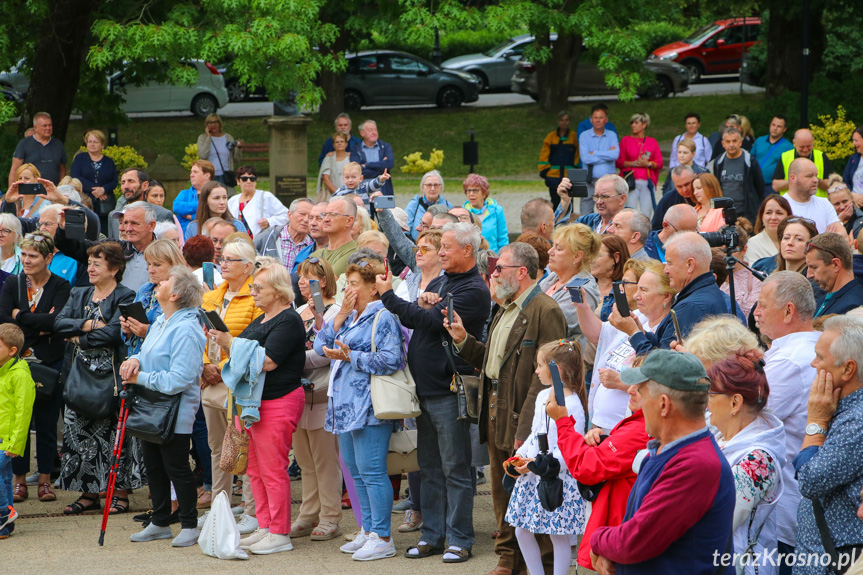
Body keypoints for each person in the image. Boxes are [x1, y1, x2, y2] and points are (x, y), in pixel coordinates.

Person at [446, 242, 567, 575]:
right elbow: (493, 364)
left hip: (524, 418)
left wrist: (525, 429)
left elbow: (546, 378)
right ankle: (509, 557)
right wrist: (463, 341)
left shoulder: (546, 310)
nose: (493, 274)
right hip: (496, 411)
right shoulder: (505, 307)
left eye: (499, 269)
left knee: (530, 491)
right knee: (503, 488)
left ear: (522, 272)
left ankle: (539, 564)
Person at [589, 350, 735, 575]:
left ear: (664, 405)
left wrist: (598, 541)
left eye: (642, 392)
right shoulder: (669, 450)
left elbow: (635, 540)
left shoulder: (695, 465)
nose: (633, 394)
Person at [205, 259, 306, 555]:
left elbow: (268, 361)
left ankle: (280, 532)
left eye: (258, 287)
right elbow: (243, 352)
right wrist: (226, 342)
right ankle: (265, 525)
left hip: (280, 399)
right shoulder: (262, 318)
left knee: (273, 468)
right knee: (254, 468)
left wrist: (229, 342)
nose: (253, 292)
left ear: (277, 291)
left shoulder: (288, 319)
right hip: (254, 403)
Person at [314, 256, 404, 562]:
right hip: (344, 407)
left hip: (369, 407)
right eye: (347, 283)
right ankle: (368, 530)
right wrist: (338, 316)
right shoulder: (351, 316)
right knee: (354, 471)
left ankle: (382, 536)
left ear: (373, 288)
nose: (348, 289)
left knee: (372, 471)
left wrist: (352, 357)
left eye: (354, 284)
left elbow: (392, 360)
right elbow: (317, 347)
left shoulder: (384, 317)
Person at [121, 265, 206, 547]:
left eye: (167, 280)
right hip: (149, 405)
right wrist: (135, 360)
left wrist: (139, 376)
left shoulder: (187, 329)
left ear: (177, 293)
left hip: (174, 410)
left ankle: (190, 525)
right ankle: (159, 521)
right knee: (154, 467)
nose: (158, 282)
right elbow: (147, 355)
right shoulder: (160, 321)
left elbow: (180, 379)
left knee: (177, 468)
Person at [53, 242, 140, 515]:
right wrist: (88, 325)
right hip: (79, 375)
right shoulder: (79, 293)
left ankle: (120, 494)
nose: (90, 268)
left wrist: (77, 336)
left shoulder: (126, 295)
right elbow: (58, 324)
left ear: (114, 269)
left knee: (115, 435)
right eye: (90, 262)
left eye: (97, 263)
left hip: (112, 377)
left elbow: (115, 333)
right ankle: (88, 494)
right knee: (81, 435)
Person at [548, 354, 651, 572]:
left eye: (639, 386)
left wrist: (563, 422)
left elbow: (585, 468)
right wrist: (603, 440)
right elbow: (613, 456)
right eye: (631, 382)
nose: (630, 390)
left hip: (622, 533)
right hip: (622, 530)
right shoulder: (641, 423)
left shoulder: (640, 429)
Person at [504, 340, 588, 575]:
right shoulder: (542, 396)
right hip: (533, 476)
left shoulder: (573, 405)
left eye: (540, 366)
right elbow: (536, 432)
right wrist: (521, 455)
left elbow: (571, 448)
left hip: (556, 480)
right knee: (522, 530)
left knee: (558, 534)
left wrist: (537, 465)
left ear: (556, 370)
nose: (536, 370)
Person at [752, 271, 819, 564]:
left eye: (763, 304)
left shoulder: (791, 360)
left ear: (789, 310)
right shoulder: (807, 348)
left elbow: (745, 420)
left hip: (784, 507)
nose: (756, 312)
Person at [0, 232, 70, 504]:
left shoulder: (61, 285)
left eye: (33, 255)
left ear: (48, 257)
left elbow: (58, 322)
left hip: (49, 360)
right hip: (17, 363)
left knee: (47, 421)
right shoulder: (14, 283)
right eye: (24, 255)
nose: (26, 260)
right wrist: (40, 324)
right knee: (19, 420)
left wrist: (23, 317)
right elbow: (5, 319)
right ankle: (19, 480)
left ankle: (44, 480)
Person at [200, 239, 262, 534]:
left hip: (237, 381)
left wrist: (224, 368)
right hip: (210, 381)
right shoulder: (211, 296)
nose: (222, 264)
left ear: (248, 267)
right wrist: (204, 364)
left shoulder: (256, 297)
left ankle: (252, 511)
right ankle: (219, 507)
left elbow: (255, 342)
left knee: (243, 447)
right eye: (221, 258)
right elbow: (201, 334)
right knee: (216, 448)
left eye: (230, 260)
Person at [793, 316, 863, 575]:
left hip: (837, 562)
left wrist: (816, 423)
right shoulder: (841, 408)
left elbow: (810, 481)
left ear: (847, 370)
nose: (813, 363)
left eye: (820, 358)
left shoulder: (858, 420)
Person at [706, 353, 785, 575]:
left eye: (711, 394)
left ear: (735, 402)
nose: (705, 400)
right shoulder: (722, 433)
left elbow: (721, 520)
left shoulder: (758, 460)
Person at [575, 260, 672, 432]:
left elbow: (662, 381)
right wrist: (582, 307)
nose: (635, 296)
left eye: (643, 290)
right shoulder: (637, 318)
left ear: (666, 296)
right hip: (601, 424)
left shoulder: (669, 333)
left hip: (627, 428)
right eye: (638, 288)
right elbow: (598, 334)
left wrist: (620, 382)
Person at [291, 257, 343, 541]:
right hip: (299, 395)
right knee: (305, 461)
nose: (301, 281)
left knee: (325, 461)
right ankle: (308, 513)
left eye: (308, 276)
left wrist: (295, 361)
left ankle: (330, 516)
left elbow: (326, 352)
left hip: (323, 394)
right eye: (299, 276)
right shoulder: (299, 311)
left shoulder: (336, 310)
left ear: (322, 281)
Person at [623, 231, 731, 354]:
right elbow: (664, 344)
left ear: (690, 265)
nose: (665, 270)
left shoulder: (691, 307)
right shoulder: (706, 293)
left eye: (669, 263)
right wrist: (641, 332)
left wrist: (634, 333)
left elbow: (662, 364)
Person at [57, 200, 158, 291]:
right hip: (116, 310)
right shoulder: (114, 248)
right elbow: (73, 247)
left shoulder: (165, 252)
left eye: (134, 223)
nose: (127, 229)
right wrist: (63, 229)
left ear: (151, 225)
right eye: (126, 223)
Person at [120, 239, 186, 356]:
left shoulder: (182, 293)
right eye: (149, 264)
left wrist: (148, 332)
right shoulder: (145, 289)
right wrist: (127, 329)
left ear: (173, 265)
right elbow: (127, 337)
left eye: (157, 265)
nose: (151, 270)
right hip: (135, 360)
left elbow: (182, 335)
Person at [0, 323, 35, 539]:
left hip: (9, 439)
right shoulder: (2, 370)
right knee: (4, 478)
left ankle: (4, 512)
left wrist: (16, 443)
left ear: (12, 351)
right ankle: (6, 526)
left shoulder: (20, 374)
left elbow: (23, 412)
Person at [540, 223, 601, 343]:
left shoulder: (583, 289)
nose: (550, 251)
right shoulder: (553, 277)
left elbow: (552, 324)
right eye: (553, 246)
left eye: (558, 249)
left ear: (577, 257)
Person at [708, 126, 766, 222]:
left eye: (734, 141)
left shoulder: (750, 161)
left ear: (740, 142)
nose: (731, 144)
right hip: (724, 212)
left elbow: (760, 187)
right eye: (728, 141)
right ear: (723, 144)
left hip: (746, 212)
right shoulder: (718, 162)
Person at [109, 168, 182, 241]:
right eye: (123, 182)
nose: (126, 186)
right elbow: (112, 248)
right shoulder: (113, 216)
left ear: (145, 185)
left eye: (131, 181)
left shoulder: (162, 214)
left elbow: (171, 247)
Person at [805, 232, 863, 317]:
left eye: (814, 267)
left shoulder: (852, 306)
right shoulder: (825, 298)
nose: (808, 275)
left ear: (836, 264)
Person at [578, 103, 621, 217]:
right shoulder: (584, 136)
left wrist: (595, 153)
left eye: (601, 117)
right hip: (590, 180)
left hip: (608, 182)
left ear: (606, 120)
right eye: (595, 117)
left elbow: (615, 155)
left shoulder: (611, 135)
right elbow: (585, 158)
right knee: (585, 213)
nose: (598, 120)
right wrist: (607, 154)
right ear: (591, 120)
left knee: (609, 211)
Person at [617, 113, 662, 218]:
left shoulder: (652, 142)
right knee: (630, 211)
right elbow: (619, 162)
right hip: (631, 181)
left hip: (647, 181)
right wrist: (634, 163)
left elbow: (659, 163)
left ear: (644, 125)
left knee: (646, 212)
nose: (633, 125)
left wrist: (648, 164)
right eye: (632, 123)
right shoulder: (625, 140)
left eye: (636, 123)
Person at [70, 129, 118, 227]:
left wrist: (103, 189)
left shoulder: (109, 162)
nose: (92, 144)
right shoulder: (80, 158)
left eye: (95, 142)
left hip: (104, 204)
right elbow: (76, 177)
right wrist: (97, 190)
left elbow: (114, 181)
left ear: (102, 145)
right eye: (89, 142)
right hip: (85, 200)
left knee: (104, 228)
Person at [227, 165, 288, 239]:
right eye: (244, 179)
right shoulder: (232, 201)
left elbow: (286, 215)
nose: (248, 181)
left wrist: (269, 222)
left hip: (260, 242)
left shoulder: (266, 197)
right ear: (238, 181)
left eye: (252, 179)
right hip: (238, 243)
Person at [254, 198, 314, 273]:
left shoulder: (314, 246)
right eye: (302, 214)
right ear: (289, 215)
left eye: (310, 217)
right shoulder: (268, 237)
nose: (306, 219)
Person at [556, 174, 628, 236]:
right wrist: (565, 201)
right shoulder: (587, 221)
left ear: (622, 199)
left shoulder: (630, 225)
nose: (599, 202)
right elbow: (559, 236)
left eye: (605, 197)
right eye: (596, 196)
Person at [8, 112, 66, 187]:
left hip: (53, 191)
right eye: (44, 126)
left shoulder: (58, 145)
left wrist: (61, 188)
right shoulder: (24, 144)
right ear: (35, 127)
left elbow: (62, 170)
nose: (48, 128)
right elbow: (14, 170)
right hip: (29, 191)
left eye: (50, 125)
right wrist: (11, 194)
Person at [772, 129, 835, 195]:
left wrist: (815, 180)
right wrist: (796, 181)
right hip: (790, 204)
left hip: (817, 203)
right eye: (801, 147)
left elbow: (832, 184)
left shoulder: (821, 156)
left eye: (808, 146)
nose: (805, 150)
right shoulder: (785, 157)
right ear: (794, 143)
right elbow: (775, 186)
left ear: (813, 141)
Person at [719, 221, 761, 317]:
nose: (725, 254)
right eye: (721, 250)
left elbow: (751, 314)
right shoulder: (714, 276)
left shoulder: (757, 278)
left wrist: (731, 281)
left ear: (744, 250)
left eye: (731, 250)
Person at [538, 110, 579, 210]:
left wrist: (576, 169)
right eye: (562, 120)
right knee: (555, 202)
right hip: (553, 176)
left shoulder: (574, 137)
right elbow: (544, 154)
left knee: (569, 203)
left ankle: (569, 225)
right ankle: (555, 224)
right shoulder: (551, 137)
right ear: (558, 121)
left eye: (566, 120)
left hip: (569, 176)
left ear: (569, 121)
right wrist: (545, 170)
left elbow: (578, 155)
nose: (564, 122)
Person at [310, 197, 358, 277]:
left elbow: (329, 282)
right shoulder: (315, 254)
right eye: (324, 214)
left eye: (332, 215)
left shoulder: (355, 254)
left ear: (349, 221)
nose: (325, 219)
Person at [462, 174, 508, 252]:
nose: (471, 194)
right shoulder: (462, 212)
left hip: (493, 256)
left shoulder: (497, 210)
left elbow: (503, 239)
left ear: (484, 193)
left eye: (475, 190)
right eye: (468, 190)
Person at [348, 120, 395, 197]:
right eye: (370, 130)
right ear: (362, 133)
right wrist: (380, 170)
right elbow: (357, 170)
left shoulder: (385, 147)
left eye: (375, 130)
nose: (374, 132)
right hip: (363, 192)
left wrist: (367, 165)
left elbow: (389, 164)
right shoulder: (356, 149)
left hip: (383, 191)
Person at [404, 170, 454, 240]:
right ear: (423, 187)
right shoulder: (414, 205)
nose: (433, 188)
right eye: (429, 185)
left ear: (441, 187)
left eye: (436, 185)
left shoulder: (448, 206)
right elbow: (405, 229)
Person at [751, 116, 793, 195]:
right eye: (773, 125)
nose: (775, 128)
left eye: (779, 126)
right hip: (754, 184)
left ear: (784, 129)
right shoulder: (760, 140)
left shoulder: (788, 147)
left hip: (771, 186)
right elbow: (751, 159)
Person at [197, 114, 242, 187]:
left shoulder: (228, 137)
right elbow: (202, 155)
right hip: (209, 176)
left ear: (220, 124)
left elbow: (236, 159)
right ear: (206, 125)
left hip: (225, 176)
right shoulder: (202, 138)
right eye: (210, 122)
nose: (213, 125)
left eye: (215, 122)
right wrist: (208, 137)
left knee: (225, 197)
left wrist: (238, 149)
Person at [592, 234, 630, 322]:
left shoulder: (625, 290)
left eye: (597, 255)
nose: (591, 260)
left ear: (616, 257)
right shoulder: (585, 286)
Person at [745, 195, 792, 264]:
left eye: (779, 213)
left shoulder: (796, 242)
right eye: (768, 213)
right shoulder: (752, 244)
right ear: (762, 217)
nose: (773, 217)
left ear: (788, 217)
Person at [173, 160, 215, 237]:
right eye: (191, 172)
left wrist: (191, 216)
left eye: (195, 172)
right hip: (185, 238)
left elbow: (214, 215)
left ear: (207, 175)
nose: (191, 175)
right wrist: (202, 205)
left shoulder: (215, 194)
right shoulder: (184, 193)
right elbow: (176, 207)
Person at [652, 165, 696, 230]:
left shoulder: (705, 194)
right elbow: (656, 227)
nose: (684, 190)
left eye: (687, 184)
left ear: (695, 177)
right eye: (679, 187)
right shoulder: (668, 199)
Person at [317, 131, 351, 203]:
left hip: (350, 194)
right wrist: (338, 193)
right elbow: (326, 179)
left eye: (341, 141)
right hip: (332, 195)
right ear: (333, 145)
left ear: (346, 144)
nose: (339, 143)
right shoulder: (328, 159)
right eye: (337, 142)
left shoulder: (351, 158)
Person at [843, 125, 863, 199]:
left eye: (856, 140)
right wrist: (852, 194)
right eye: (853, 140)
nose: (853, 144)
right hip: (854, 205)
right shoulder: (853, 159)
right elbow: (845, 181)